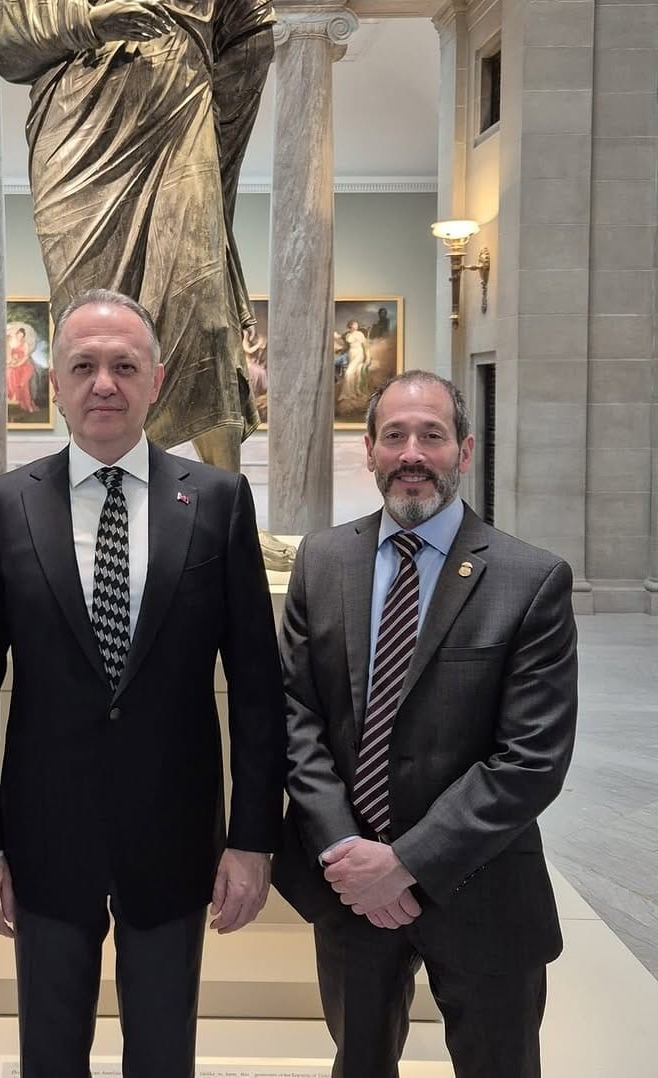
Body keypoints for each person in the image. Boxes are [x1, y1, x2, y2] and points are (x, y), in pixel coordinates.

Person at [0, 289, 284, 1078]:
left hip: (174, 836)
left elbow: (258, 691)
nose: (104, 383)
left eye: (125, 366)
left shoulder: (218, 502)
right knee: (50, 1055)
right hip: (43, 838)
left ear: (156, 380)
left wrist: (252, 840)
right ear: (56, 384)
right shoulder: (4, 507)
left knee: (164, 1054)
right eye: (84, 366)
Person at [272, 370, 578, 1078]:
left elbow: (531, 758)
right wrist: (345, 848)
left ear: (463, 450)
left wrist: (406, 862)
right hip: (349, 888)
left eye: (431, 435)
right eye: (394, 436)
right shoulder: (323, 562)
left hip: (482, 887)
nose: (412, 453)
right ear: (370, 451)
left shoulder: (530, 579)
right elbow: (296, 714)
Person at [0, 0, 276, 474]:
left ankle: (224, 501)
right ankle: (99, 492)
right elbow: (11, 51)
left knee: (202, 311)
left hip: (179, 124)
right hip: (78, 138)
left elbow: (251, 32)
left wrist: (212, 120)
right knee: (86, 324)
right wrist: (91, 23)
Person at [6, 322, 38, 415]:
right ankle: (14, 398)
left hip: (24, 366)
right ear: (16, 334)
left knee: (23, 384)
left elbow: (25, 357)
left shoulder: (25, 344)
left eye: (21, 335)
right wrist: (11, 362)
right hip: (15, 364)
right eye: (18, 334)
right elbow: (10, 354)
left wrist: (17, 364)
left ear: (23, 336)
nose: (19, 336)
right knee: (9, 373)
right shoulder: (12, 342)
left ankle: (28, 405)